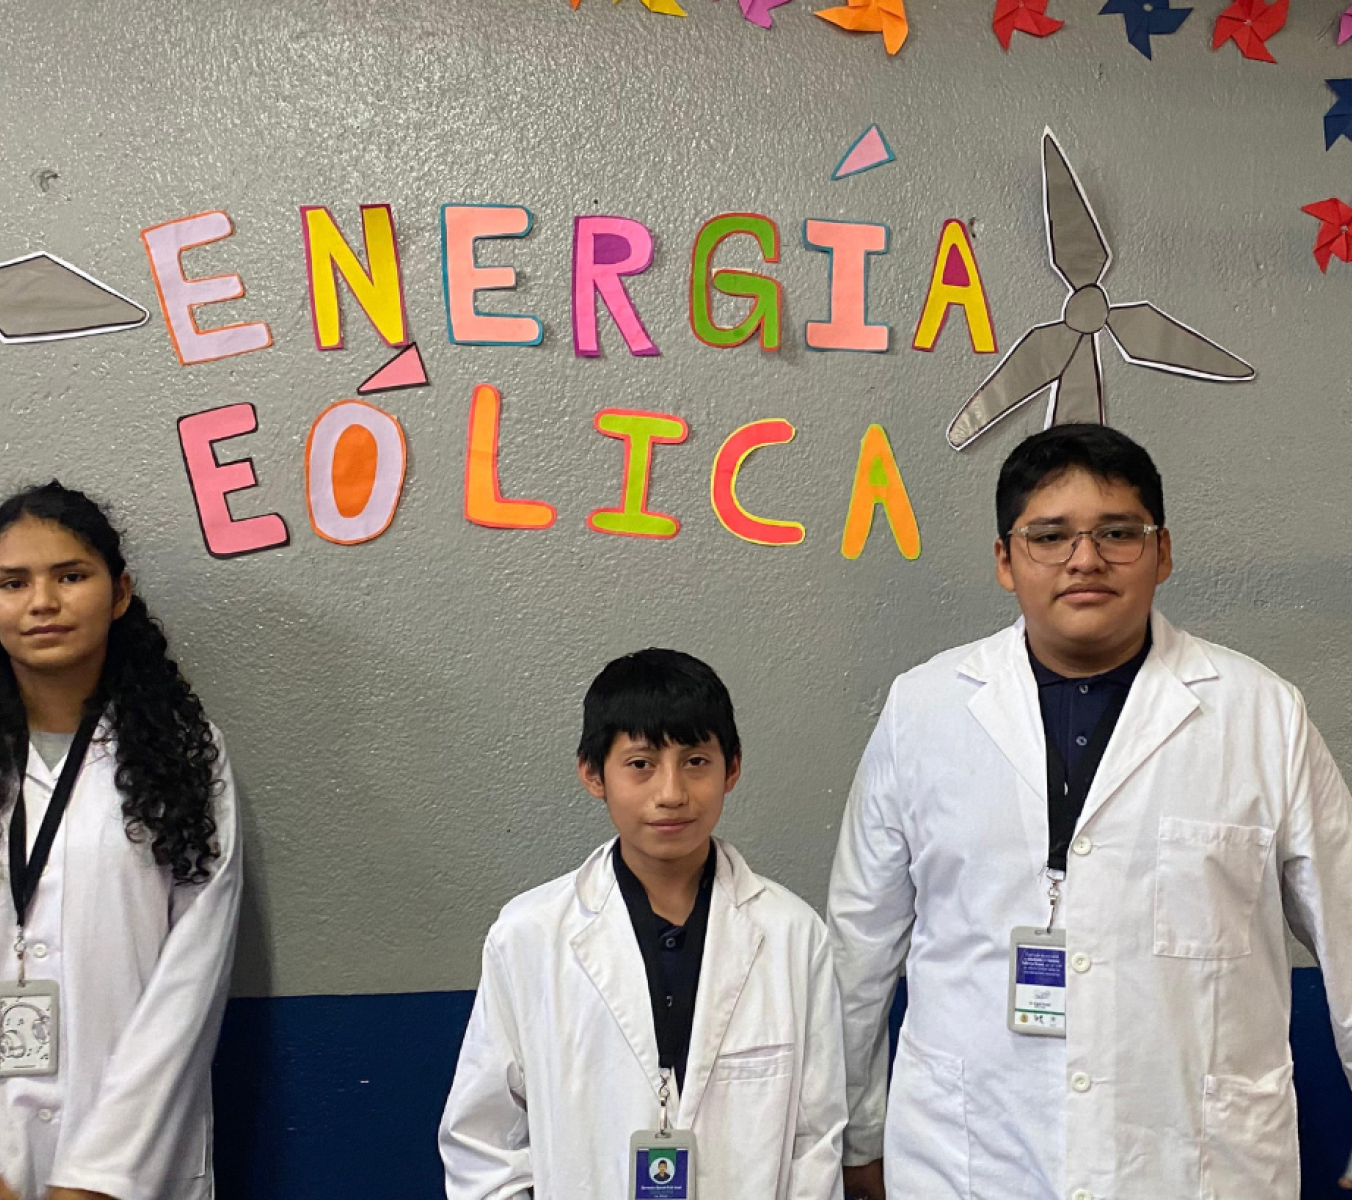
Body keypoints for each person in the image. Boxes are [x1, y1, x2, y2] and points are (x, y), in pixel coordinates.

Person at [829, 425, 1352, 1200]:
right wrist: (857, 1132)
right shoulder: (924, 708)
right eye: (1049, 536)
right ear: (1006, 561)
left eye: (1118, 533)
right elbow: (860, 945)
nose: (1085, 559)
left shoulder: (1260, 714)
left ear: (1163, 553)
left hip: (1193, 1161)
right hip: (970, 1156)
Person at [0, 482, 243, 1200]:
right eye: (13, 582)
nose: (42, 602)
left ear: (119, 593)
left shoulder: (187, 754)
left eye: (71, 576)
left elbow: (193, 973)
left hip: (133, 1156)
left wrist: (105, 1176)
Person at [439, 648, 846, 1199]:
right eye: (641, 764)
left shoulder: (793, 936)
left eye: (696, 761)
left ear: (732, 767)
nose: (672, 792)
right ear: (592, 773)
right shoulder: (529, 936)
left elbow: (815, 1140)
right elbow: (484, 1142)